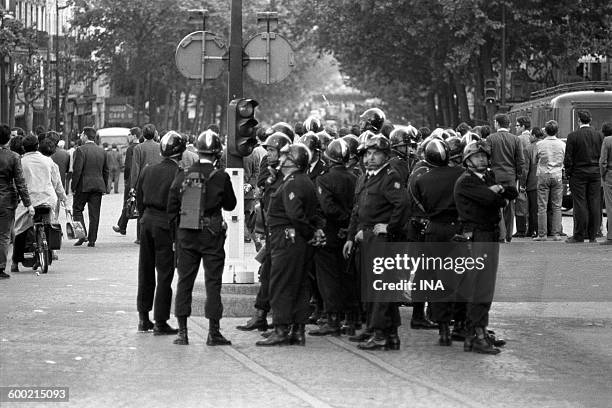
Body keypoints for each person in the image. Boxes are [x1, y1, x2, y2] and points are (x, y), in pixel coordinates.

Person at [168, 130, 237, 346]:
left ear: (197, 151)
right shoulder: (220, 176)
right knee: (213, 283)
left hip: (187, 234)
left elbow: (171, 208)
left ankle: (182, 332)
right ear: (217, 153)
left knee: (184, 282)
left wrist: (177, 234)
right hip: (212, 235)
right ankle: (213, 332)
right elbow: (230, 204)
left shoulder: (183, 174)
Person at [256, 144, 324, 346]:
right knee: (300, 284)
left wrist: (309, 232)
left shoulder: (294, 182)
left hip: (286, 239)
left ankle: (281, 329)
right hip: (296, 240)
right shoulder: (301, 180)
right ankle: (298, 329)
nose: (281, 159)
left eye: (285, 156)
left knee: (281, 284)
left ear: (292, 161)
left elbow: (295, 214)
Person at [343, 135, 407, 350]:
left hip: (382, 241)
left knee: (381, 289)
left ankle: (381, 334)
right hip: (365, 239)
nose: (370, 158)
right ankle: (383, 331)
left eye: (375, 154)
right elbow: (356, 210)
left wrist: (390, 227)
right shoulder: (364, 177)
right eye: (367, 154)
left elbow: (403, 205)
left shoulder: (390, 176)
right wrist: (351, 237)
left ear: (386, 156)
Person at [454, 140, 517, 354]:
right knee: (479, 286)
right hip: (477, 236)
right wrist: (497, 194)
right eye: (476, 156)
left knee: (486, 286)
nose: (481, 159)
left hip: (488, 234)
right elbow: (493, 200)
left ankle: (480, 330)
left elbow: (510, 194)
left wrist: (498, 192)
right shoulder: (466, 181)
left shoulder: (487, 177)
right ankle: (476, 335)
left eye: (484, 156)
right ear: (467, 160)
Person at [236, 132, 292, 332]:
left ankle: (284, 325)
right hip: (272, 231)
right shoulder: (271, 170)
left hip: (284, 234)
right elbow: (262, 187)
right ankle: (261, 315)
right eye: (267, 150)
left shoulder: (288, 174)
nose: (268, 154)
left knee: (279, 279)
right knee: (268, 274)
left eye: (272, 150)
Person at [413, 138, 465, 346]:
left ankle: (442, 328)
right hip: (456, 229)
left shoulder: (421, 179)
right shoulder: (460, 174)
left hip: (433, 229)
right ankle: (460, 323)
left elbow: (418, 204)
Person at [135, 131, 186, 334]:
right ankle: (160, 321)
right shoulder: (179, 174)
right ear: (181, 152)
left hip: (146, 222)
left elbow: (139, 198)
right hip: (167, 224)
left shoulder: (148, 170)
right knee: (165, 273)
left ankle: (143, 317)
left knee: (145, 270)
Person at [309, 139, 357, 336]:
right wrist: (349, 224)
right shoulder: (355, 177)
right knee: (347, 276)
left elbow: (328, 208)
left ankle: (332, 319)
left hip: (330, 232)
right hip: (349, 233)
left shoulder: (324, 179)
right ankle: (350, 318)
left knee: (327, 278)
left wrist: (341, 220)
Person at [12, 135, 67, 271]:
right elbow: (57, 182)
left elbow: (16, 183)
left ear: (24, 147)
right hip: (48, 200)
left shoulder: (20, 161)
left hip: (28, 202)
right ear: (37, 146)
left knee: (20, 230)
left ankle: (16, 261)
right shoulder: (48, 161)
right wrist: (64, 198)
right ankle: (48, 253)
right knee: (48, 226)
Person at [564, 110, 605, 243]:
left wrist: (569, 173)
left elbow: (568, 158)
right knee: (594, 202)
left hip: (578, 173)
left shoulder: (573, 136)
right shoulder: (599, 136)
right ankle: (593, 234)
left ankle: (579, 234)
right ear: (590, 120)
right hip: (595, 173)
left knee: (580, 203)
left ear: (578, 121)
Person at [0, 124, 33, 279]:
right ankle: (0, 267)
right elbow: (20, 182)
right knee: (4, 235)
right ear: (8, 139)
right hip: (6, 201)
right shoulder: (13, 157)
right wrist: (28, 204)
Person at [486, 114, 524, 242]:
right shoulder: (516, 139)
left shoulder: (491, 138)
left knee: (497, 206)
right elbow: (520, 160)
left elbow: (486, 157)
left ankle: (500, 235)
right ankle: (508, 235)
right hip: (511, 176)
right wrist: (518, 175)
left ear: (497, 123)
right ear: (508, 125)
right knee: (510, 206)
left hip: (495, 175)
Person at [72, 127, 109, 247]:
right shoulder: (102, 151)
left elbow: (77, 170)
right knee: (95, 214)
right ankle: (92, 239)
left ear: (86, 136)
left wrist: (73, 187)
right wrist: (105, 187)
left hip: (83, 186)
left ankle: (82, 235)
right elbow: (106, 171)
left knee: (77, 210)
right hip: (98, 186)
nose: (81, 136)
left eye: (82, 134)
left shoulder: (80, 150)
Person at [533, 121, 565, 241]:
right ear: (557, 131)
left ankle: (542, 234)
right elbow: (564, 159)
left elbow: (535, 159)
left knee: (542, 205)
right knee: (557, 206)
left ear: (545, 131)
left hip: (543, 175)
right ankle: (556, 234)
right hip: (557, 175)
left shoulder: (539, 144)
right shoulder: (562, 144)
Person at [130, 124, 161, 245]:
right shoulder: (160, 147)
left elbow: (135, 169)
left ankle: (140, 237)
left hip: (142, 184)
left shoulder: (138, 148)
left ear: (143, 134)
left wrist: (133, 185)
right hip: (158, 182)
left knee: (141, 211)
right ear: (155, 134)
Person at [113, 127, 140, 235]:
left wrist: (126, 179)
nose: (128, 138)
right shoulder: (141, 147)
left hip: (131, 179)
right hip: (141, 179)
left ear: (133, 136)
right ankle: (122, 226)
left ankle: (122, 226)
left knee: (127, 202)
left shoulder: (131, 149)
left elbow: (128, 167)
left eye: (129, 135)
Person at [521, 127, 544, 238]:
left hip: (533, 182)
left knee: (533, 208)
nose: (529, 137)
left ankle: (533, 230)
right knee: (546, 207)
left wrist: (522, 184)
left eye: (530, 135)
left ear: (534, 136)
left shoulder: (528, 149)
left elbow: (525, 169)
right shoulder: (545, 145)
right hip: (546, 179)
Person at [599, 122, 612, 245]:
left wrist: (603, 174)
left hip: (610, 175)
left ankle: (611, 236)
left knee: (610, 206)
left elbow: (603, 161)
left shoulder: (607, 141)